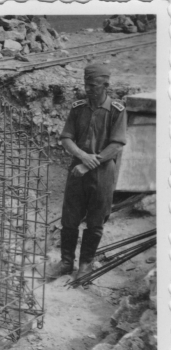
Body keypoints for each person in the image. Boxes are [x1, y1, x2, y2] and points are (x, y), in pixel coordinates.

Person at [46, 64, 127, 281]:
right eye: (86, 85)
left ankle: (85, 265)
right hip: (77, 172)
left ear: (106, 85)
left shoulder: (117, 111)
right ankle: (65, 262)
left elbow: (117, 145)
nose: (88, 89)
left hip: (102, 174)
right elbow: (66, 138)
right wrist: (82, 156)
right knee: (69, 219)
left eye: (92, 85)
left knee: (95, 221)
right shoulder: (78, 109)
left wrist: (91, 162)